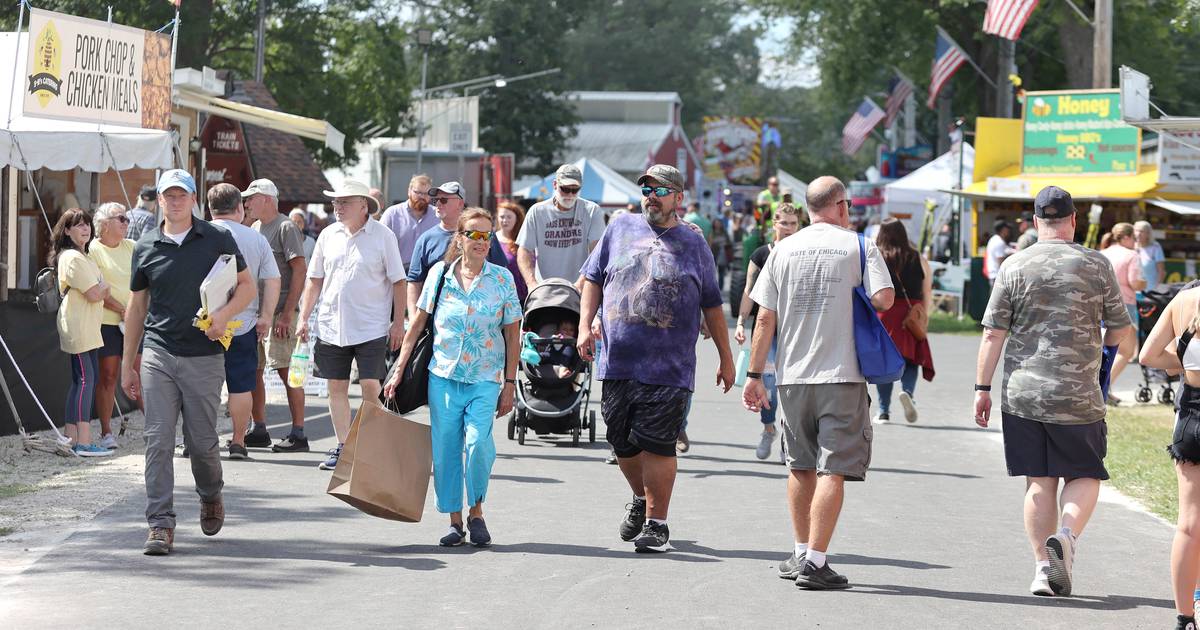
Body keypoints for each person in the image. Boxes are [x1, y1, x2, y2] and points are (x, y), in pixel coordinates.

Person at [973, 185, 1132, 597]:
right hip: (1079, 392)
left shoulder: (1014, 264)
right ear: (1074, 221)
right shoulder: (1096, 265)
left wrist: (981, 388)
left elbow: (993, 333)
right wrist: (1104, 361)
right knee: (1085, 472)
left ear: (1036, 222)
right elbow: (1120, 326)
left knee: (1038, 481)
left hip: (1024, 393)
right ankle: (1066, 535)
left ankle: (1043, 568)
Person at [742, 176, 894, 590]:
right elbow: (884, 299)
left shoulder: (783, 249)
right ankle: (816, 561)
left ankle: (798, 550)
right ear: (842, 206)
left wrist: (756, 375)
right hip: (841, 374)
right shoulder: (859, 245)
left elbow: (765, 317)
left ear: (808, 209)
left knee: (800, 465)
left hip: (791, 376)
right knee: (834, 469)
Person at [577, 164, 734, 553]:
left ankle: (657, 524)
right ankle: (641, 499)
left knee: (658, 444)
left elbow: (713, 305)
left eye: (660, 190)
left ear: (679, 198)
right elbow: (593, 279)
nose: (651, 195)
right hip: (617, 360)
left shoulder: (694, 244)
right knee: (621, 442)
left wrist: (727, 358)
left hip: (670, 365)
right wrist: (584, 326)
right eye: (646, 188)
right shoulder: (619, 228)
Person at [123, 169, 257, 556]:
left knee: (202, 444)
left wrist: (224, 315)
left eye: (182, 195)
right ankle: (160, 524)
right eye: (169, 195)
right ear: (160, 201)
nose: (176, 201)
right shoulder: (145, 245)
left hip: (204, 355)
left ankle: (211, 493)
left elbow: (247, 286)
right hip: (159, 353)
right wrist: (129, 361)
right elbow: (136, 307)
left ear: (194, 199)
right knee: (158, 440)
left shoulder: (217, 238)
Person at [385, 208, 521, 547]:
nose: (481, 241)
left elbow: (513, 334)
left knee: (477, 445)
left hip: (486, 376)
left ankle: (477, 512)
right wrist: (399, 368)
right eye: (473, 234)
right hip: (443, 375)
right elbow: (418, 324)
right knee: (446, 451)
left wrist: (509, 383)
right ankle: (455, 521)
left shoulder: (502, 279)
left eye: (486, 235)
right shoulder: (440, 275)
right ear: (459, 239)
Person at [296, 179, 406, 471]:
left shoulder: (383, 236)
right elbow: (314, 279)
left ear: (362, 205)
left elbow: (399, 281)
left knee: (371, 386)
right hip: (332, 324)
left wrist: (398, 323)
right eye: (335, 202)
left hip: (370, 324)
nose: (337, 207)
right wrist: (304, 316)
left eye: (343, 202)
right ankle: (344, 446)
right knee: (336, 387)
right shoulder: (328, 235)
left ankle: (368, 444)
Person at [1138, 286, 1200, 630]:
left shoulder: (1183, 300)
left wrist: (1186, 360)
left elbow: (1148, 355)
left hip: (1192, 415)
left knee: (1189, 525)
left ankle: (1184, 617)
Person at [209, 183, 281, 460]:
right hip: (243, 323)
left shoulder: (199, 234)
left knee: (202, 386)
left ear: (210, 209)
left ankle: (197, 441)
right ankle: (239, 441)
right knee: (240, 384)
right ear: (239, 208)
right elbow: (273, 280)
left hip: (205, 323)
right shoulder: (256, 238)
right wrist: (265, 316)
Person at [244, 179, 310, 452]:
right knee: (254, 370)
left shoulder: (285, 227)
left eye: (252, 198)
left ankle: (299, 432)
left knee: (287, 371)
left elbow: (299, 270)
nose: (247, 203)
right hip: (258, 312)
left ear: (267, 199)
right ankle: (258, 427)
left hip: (280, 313)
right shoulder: (257, 227)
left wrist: (286, 313)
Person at [735, 203, 801, 460]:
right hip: (765, 327)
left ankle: (789, 434)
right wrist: (741, 321)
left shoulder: (801, 253)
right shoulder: (762, 254)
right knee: (769, 383)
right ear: (774, 224)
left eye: (793, 224)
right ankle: (769, 428)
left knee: (793, 384)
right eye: (784, 223)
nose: (788, 228)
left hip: (794, 327)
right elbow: (749, 290)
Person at [50, 208, 112, 457]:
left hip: (85, 325)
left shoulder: (81, 255)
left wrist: (102, 287)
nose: (85, 228)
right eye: (78, 225)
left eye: (87, 224)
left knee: (82, 380)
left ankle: (71, 438)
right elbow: (96, 293)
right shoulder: (73, 258)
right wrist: (102, 287)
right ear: (66, 231)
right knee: (86, 380)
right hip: (79, 325)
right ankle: (83, 442)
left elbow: (100, 289)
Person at [406, 181, 507, 321]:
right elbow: (415, 282)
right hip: (437, 325)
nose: (438, 204)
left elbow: (501, 275)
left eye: (444, 200)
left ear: (460, 203)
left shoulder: (484, 235)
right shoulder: (426, 239)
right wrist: (413, 318)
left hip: (481, 323)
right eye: (436, 200)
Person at [873, 217, 935, 424]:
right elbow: (927, 292)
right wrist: (922, 317)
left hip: (884, 314)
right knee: (912, 360)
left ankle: (883, 411)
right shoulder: (918, 258)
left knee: (884, 364)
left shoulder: (877, 257)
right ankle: (907, 392)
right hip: (911, 314)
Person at [89, 203, 141, 451]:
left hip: (135, 322)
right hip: (107, 322)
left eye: (127, 219)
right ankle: (106, 432)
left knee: (143, 375)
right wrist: (123, 310)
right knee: (108, 377)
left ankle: (156, 428)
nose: (126, 223)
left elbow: (143, 282)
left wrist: (135, 310)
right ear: (105, 223)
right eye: (121, 218)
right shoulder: (93, 250)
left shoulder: (132, 247)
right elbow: (95, 288)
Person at [517, 163, 606, 290]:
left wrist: (580, 284)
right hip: (544, 290)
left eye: (575, 190)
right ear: (554, 185)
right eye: (565, 189)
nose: (570, 195)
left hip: (579, 290)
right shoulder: (537, 211)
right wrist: (532, 284)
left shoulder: (591, 210)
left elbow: (596, 252)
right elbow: (524, 250)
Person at [1100, 222, 1147, 404]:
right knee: (1126, 351)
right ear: (1126, 237)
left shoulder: (1102, 253)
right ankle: (1103, 387)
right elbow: (1135, 282)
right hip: (1123, 305)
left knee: (1105, 349)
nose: (1136, 242)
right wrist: (1144, 283)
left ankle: (1104, 388)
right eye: (1134, 238)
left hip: (1100, 306)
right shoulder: (1131, 255)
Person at [379, 174, 439, 268]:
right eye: (418, 192)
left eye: (426, 193)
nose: (422, 197)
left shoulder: (437, 215)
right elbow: (379, 244)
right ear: (409, 191)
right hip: (398, 273)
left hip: (429, 274)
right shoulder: (392, 214)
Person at [494, 201, 528, 303]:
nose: (505, 220)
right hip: (497, 296)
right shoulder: (491, 239)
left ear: (517, 219)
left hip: (520, 297)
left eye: (509, 217)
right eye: (502, 217)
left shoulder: (523, 240)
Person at [1135, 220, 1167, 292]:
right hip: (1133, 293)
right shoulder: (1131, 246)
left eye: (1142, 231)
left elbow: (1161, 272)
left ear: (1148, 234)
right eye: (1136, 230)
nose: (1138, 234)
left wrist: (1156, 289)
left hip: (1150, 292)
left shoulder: (1155, 247)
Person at [984, 220, 1015, 285]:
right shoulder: (998, 242)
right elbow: (1001, 263)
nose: (1009, 231)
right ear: (1003, 230)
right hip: (997, 277)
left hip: (995, 276)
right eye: (1007, 229)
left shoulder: (996, 239)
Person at [710, 219, 733, 292]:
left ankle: (720, 287)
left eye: (718, 223)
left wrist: (723, 243)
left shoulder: (724, 232)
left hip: (723, 254)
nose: (717, 225)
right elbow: (710, 243)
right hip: (714, 254)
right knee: (713, 272)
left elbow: (729, 242)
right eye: (716, 223)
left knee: (721, 272)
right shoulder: (712, 233)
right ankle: (713, 287)